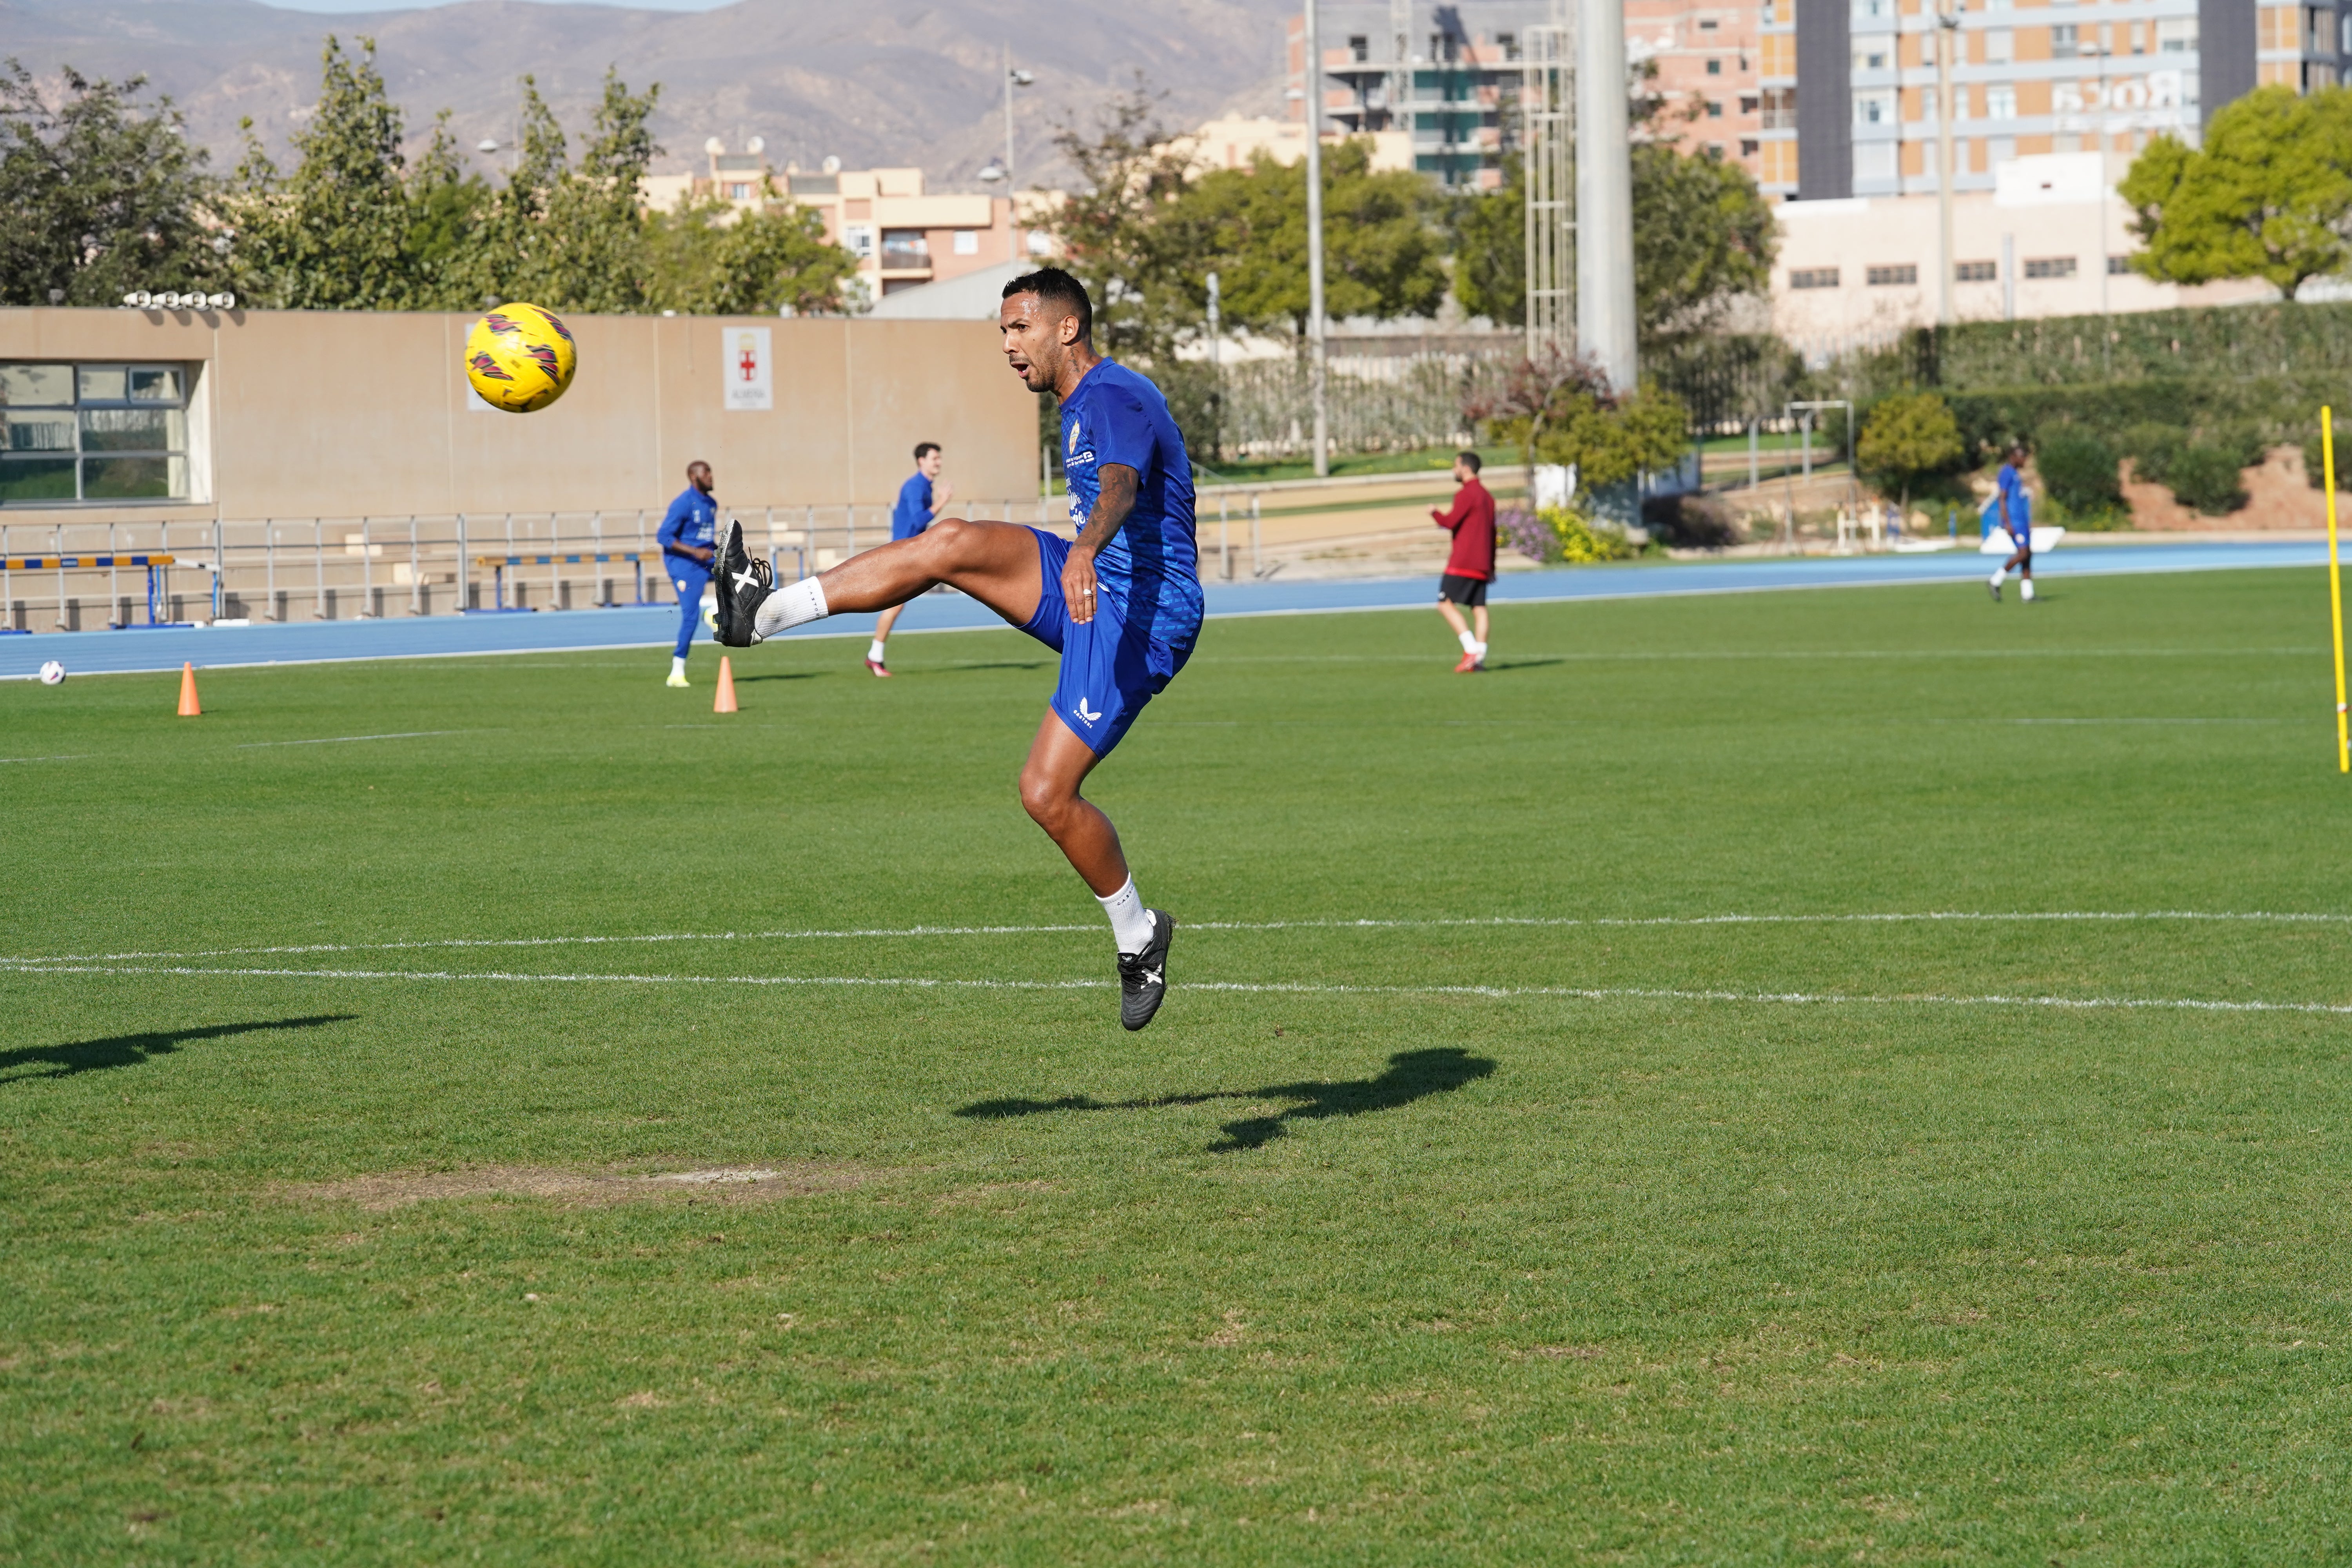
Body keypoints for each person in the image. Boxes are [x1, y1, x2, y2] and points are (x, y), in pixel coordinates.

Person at [709, 267, 1202, 1031]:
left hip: (1143, 612)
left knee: (1044, 794)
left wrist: (1083, 551)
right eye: (1002, 331)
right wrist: (1082, 558)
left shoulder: (1117, 395)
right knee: (950, 541)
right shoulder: (1074, 406)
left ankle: (1139, 935)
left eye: (1019, 328)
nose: (1008, 345)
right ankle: (762, 611)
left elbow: (1120, 487)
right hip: (1091, 580)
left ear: (1067, 328)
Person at [865, 442, 954, 677]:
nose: (939, 462)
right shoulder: (915, 487)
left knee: (896, 604)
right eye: (935, 458)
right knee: (895, 604)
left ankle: (875, 656)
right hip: (902, 555)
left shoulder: (924, 486)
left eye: (939, 458)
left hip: (910, 553)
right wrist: (942, 502)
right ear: (921, 461)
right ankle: (874, 657)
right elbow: (917, 521)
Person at [1432, 450, 1495, 671]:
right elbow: (1492, 531)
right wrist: (1492, 566)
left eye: (1456, 465)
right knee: (1479, 608)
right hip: (1483, 562)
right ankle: (1480, 657)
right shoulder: (1487, 496)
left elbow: (1450, 522)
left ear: (1465, 468)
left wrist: (1435, 513)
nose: (1454, 470)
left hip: (1463, 562)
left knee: (1444, 603)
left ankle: (1471, 650)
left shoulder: (1467, 494)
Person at [657, 460, 719, 686]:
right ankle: (677, 672)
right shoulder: (683, 504)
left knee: (739, 576)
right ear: (695, 477)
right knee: (690, 616)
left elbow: (703, 537)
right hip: (683, 565)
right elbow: (663, 537)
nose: (712, 477)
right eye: (707, 473)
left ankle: (712, 613)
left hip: (704, 559)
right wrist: (695, 551)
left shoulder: (711, 504)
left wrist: (720, 549)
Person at [1988, 445, 2035, 603]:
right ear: (2014, 457)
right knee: (2022, 553)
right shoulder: (2007, 473)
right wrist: (2007, 522)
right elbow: (2002, 498)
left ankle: (2027, 594)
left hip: (2021, 520)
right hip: (2014, 521)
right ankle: (1996, 581)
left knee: (2028, 554)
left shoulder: (2016, 474)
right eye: (2022, 457)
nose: (2024, 461)